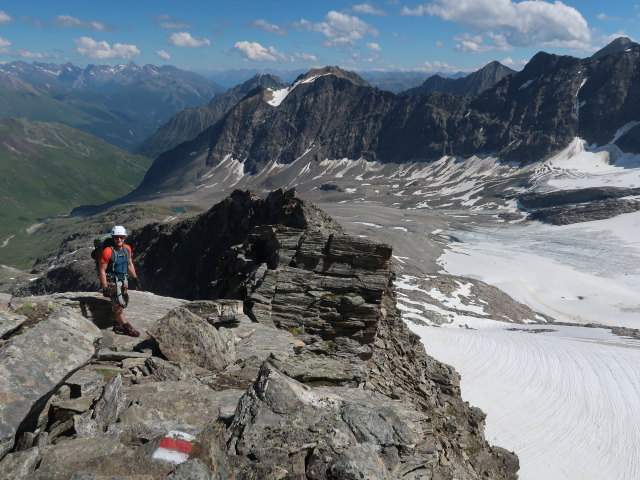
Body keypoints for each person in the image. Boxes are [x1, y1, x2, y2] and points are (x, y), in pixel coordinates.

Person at [98, 225, 140, 337]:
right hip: (112, 282)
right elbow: (102, 270)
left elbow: (129, 264)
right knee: (117, 305)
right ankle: (126, 326)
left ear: (124, 237)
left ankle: (118, 324)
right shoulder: (107, 251)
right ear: (113, 237)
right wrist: (105, 287)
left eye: (121, 237)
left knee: (123, 302)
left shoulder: (127, 249)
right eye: (117, 237)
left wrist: (135, 278)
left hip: (123, 280)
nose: (119, 239)